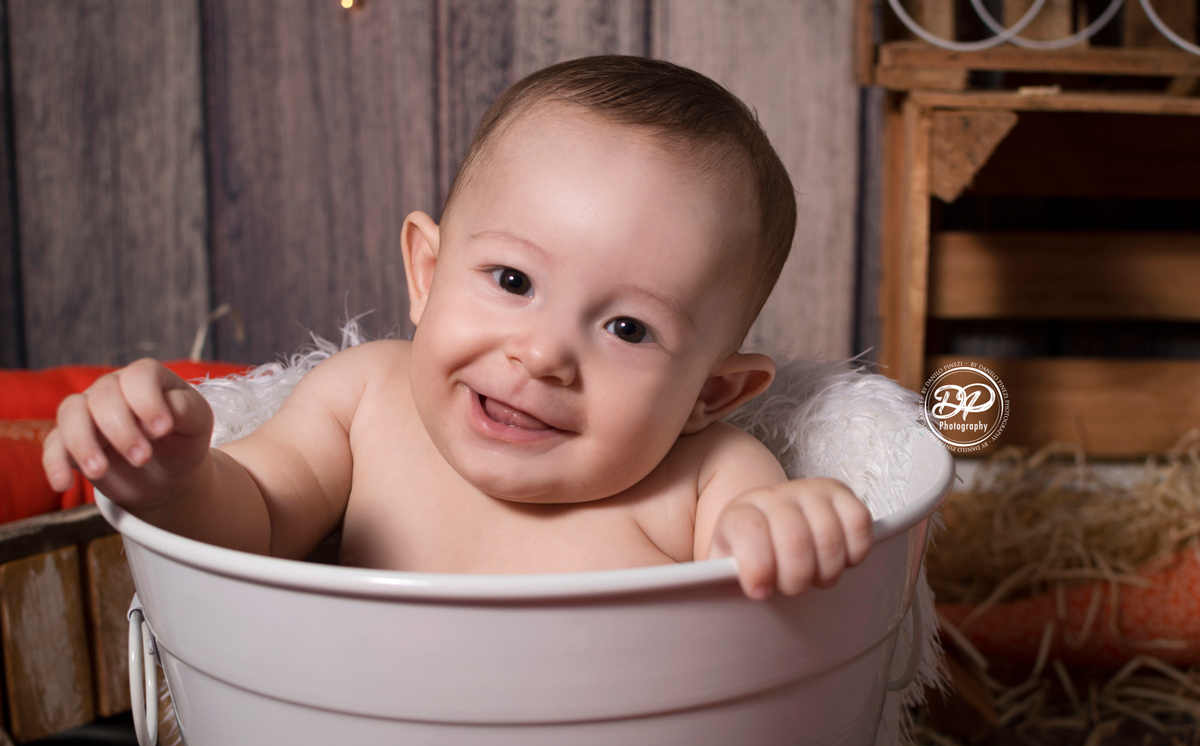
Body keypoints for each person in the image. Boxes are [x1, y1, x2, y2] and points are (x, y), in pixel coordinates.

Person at [41, 55, 872, 600]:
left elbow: (753, 570)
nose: (542, 354)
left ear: (711, 393)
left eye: (627, 328)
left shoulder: (706, 478)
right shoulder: (364, 403)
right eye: (513, 281)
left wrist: (791, 524)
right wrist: (176, 481)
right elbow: (252, 515)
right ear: (427, 273)